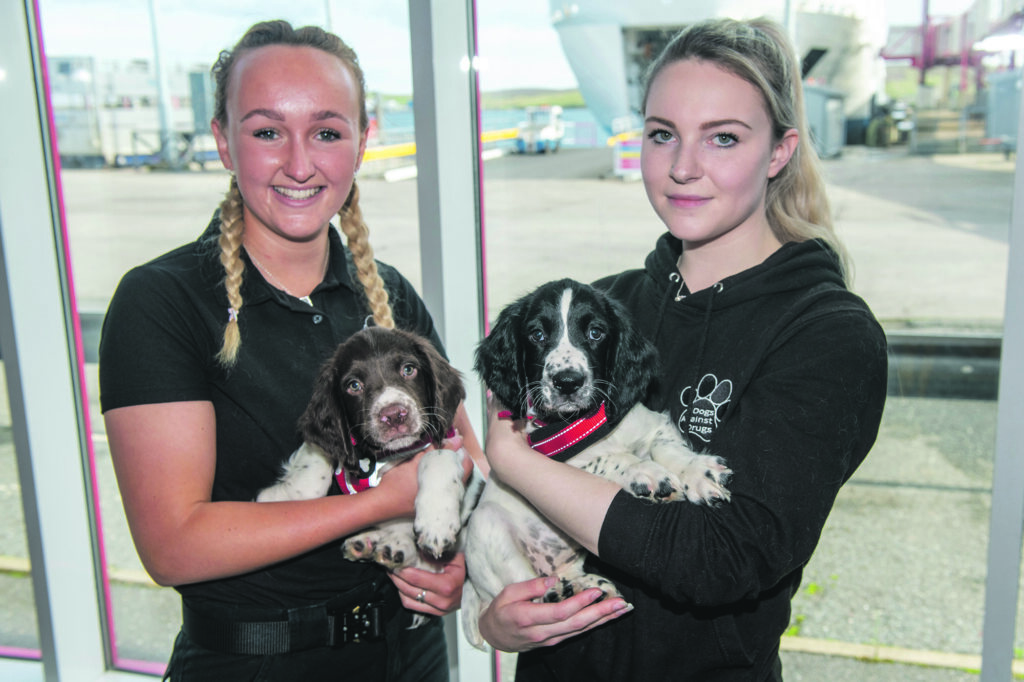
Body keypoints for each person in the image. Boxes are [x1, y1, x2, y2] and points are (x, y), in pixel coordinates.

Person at [476, 17, 888, 681]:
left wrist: (515, 462)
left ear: (780, 152)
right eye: (662, 134)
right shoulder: (600, 311)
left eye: (723, 137)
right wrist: (494, 619)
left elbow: (722, 559)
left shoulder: (827, 335)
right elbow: (509, 520)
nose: (683, 167)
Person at [98, 20, 482, 681]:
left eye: (327, 132)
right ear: (223, 140)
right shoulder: (160, 302)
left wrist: (458, 564)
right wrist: (378, 505)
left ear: (362, 142)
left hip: (408, 653)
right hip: (256, 663)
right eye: (267, 131)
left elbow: (462, 454)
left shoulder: (388, 293)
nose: (300, 164)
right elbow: (172, 546)